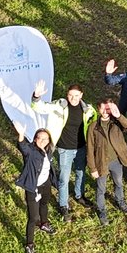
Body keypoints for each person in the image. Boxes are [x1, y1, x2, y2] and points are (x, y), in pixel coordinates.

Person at [86, 95, 127, 221]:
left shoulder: (116, 122)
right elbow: (90, 149)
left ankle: (120, 201)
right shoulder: (93, 127)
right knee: (101, 188)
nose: (105, 112)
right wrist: (92, 168)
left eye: (107, 109)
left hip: (116, 161)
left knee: (118, 183)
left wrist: (118, 116)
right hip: (102, 162)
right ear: (98, 109)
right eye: (102, 109)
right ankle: (101, 210)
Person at [14, 126, 58, 253]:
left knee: (44, 204)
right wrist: (21, 135)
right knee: (33, 217)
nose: (43, 141)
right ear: (35, 139)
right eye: (40, 138)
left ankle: (44, 224)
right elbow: (22, 147)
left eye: (46, 138)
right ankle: (29, 244)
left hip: (45, 184)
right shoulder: (31, 151)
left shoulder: (48, 150)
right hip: (33, 187)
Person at [53, 85, 90, 220]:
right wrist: (36, 97)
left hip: (81, 147)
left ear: (81, 95)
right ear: (67, 95)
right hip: (65, 149)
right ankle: (63, 204)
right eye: (70, 95)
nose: (73, 98)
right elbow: (40, 107)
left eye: (76, 95)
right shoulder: (60, 106)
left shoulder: (87, 109)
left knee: (81, 173)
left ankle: (79, 195)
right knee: (64, 177)